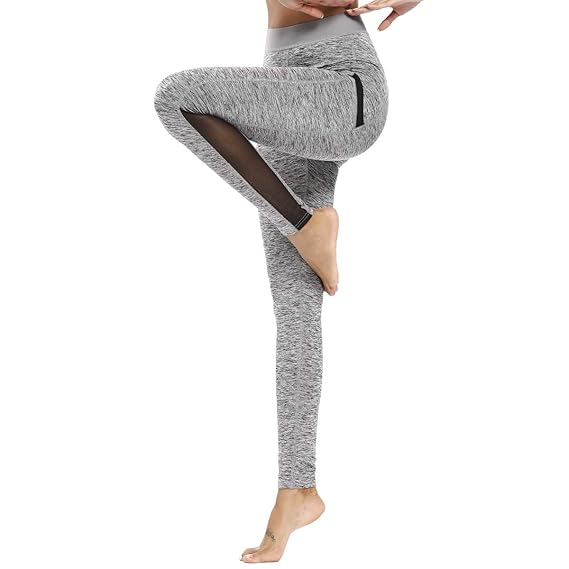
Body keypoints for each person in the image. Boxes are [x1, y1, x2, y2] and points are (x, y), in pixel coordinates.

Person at [153, 0, 422, 563]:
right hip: (286, 87)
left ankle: (305, 226)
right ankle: (297, 490)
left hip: (341, 87)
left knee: (176, 95)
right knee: (294, 310)